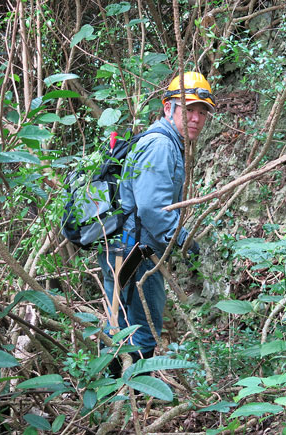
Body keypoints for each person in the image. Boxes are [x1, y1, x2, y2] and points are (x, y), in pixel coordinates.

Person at [98, 71, 215, 368]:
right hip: (137, 251)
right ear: (168, 108)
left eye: (202, 113)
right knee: (142, 330)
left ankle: (110, 397)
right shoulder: (161, 145)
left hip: (125, 245)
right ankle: (132, 400)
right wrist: (180, 239)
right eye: (189, 109)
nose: (196, 118)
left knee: (118, 323)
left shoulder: (162, 141)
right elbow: (152, 208)